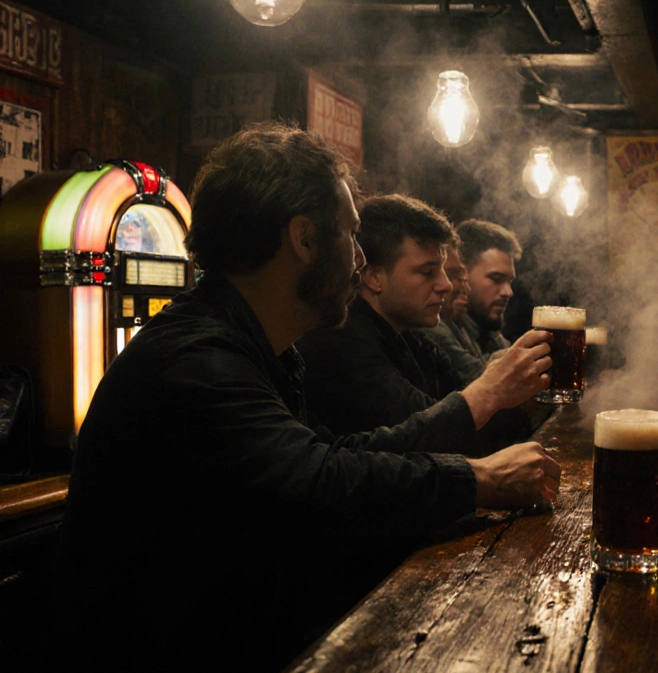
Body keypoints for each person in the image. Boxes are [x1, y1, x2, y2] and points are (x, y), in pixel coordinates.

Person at [53, 123, 561, 673]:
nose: (360, 259)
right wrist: (478, 479)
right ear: (304, 238)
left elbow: (337, 453)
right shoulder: (198, 360)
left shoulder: (258, 345)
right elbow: (319, 484)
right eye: (352, 235)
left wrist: (470, 469)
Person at [297, 194, 534, 448]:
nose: (445, 285)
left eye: (444, 270)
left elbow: (477, 422)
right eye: (427, 272)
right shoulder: (340, 341)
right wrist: (492, 391)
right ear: (374, 277)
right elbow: (433, 435)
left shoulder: (411, 336)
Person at [414, 246, 487, 389]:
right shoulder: (430, 327)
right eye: (428, 272)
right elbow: (477, 377)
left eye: (464, 279)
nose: (466, 289)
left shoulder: (461, 323)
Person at [456, 219, 523, 357]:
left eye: (509, 281)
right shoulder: (437, 330)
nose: (508, 293)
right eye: (496, 279)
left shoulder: (493, 338)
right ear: (462, 274)